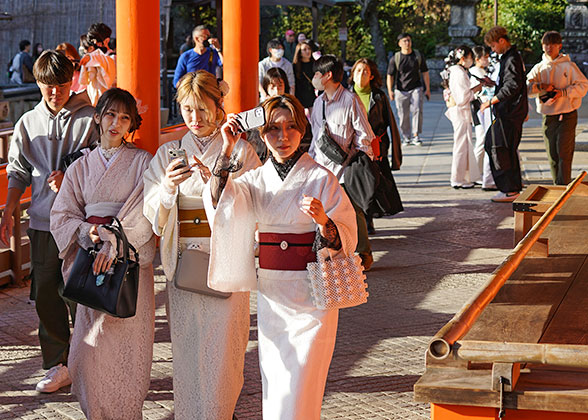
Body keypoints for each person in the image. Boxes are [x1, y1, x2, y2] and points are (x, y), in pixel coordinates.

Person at [204, 94, 357, 420]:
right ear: (261, 134)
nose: (283, 137)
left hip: (312, 295)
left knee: (303, 381)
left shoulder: (320, 179)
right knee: (276, 382)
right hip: (273, 294)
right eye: (273, 129)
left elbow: (347, 236)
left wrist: (324, 221)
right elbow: (220, 203)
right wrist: (227, 148)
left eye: (291, 128)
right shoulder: (255, 180)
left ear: (303, 131)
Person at [143, 70, 261, 419]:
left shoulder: (241, 151)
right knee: (188, 346)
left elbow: (256, 200)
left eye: (202, 109)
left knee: (226, 348)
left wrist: (222, 186)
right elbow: (152, 211)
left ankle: (219, 412)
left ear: (217, 105)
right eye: (187, 110)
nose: (195, 119)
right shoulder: (169, 152)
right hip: (184, 261)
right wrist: (165, 188)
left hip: (225, 258)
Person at [50, 88, 155, 419]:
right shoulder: (81, 166)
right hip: (92, 259)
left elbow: (145, 210)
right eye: (110, 114)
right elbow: (62, 215)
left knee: (127, 354)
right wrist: (87, 232)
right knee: (87, 353)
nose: (116, 123)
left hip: (128, 262)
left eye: (125, 118)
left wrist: (115, 240)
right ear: (97, 117)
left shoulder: (143, 162)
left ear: (131, 124)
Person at [0, 50, 97, 393]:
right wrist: (10, 209)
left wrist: (71, 176)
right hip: (41, 222)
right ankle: (58, 364)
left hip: (81, 224)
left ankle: (88, 362)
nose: (54, 91)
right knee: (46, 296)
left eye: (60, 84)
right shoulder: (27, 122)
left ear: (71, 81)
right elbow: (18, 170)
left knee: (81, 296)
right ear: (37, 82)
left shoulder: (91, 118)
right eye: (47, 85)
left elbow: (103, 163)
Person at [309, 55, 375, 270]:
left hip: (346, 168)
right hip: (321, 167)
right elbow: (316, 135)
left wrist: (362, 164)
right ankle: (333, 253)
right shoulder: (318, 103)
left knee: (353, 210)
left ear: (327, 76)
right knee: (325, 212)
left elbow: (364, 134)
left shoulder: (350, 100)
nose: (314, 78)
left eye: (317, 74)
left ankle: (363, 253)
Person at [349, 58, 403, 232]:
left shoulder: (379, 96)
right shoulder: (347, 96)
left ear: (371, 75)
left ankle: (368, 218)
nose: (361, 75)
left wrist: (392, 152)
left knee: (373, 182)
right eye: (358, 71)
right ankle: (363, 218)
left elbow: (390, 124)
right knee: (358, 184)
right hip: (354, 148)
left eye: (365, 71)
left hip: (375, 146)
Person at [526, 31, 588, 185]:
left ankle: (563, 189)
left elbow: (583, 86)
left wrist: (564, 93)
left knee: (564, 154)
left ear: (559, 46)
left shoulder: (569, 66)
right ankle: (558, 186)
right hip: (548, 116)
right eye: (546, 44)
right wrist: (540, 86)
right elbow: (527, 88)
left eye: (553, 44)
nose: (549, 47)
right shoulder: (538, 68)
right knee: (552, 154)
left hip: (568, 114)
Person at [480, 26, 528, 202]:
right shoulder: (509, 58)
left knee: (498, 147)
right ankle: (511, 188)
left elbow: (513, 86)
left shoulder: (512, 58)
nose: (493, 50)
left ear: (501, 41)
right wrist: (493, 84)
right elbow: (509, 83)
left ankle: (509, 189)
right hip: (509, 112)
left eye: (493, 46)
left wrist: (491, 101)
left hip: (509, 112)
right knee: (503, 147)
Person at [444, 46, 482, 189]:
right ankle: (457, 178)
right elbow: (462, 97)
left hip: (460, 111)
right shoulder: (458, 72)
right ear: (462, 58)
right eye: (470, 57)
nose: (471, 61)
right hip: (460, 111)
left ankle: (464, 177)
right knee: (461, 145)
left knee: (464, 144)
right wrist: (476, 90)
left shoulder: (455, 71)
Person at [386, 33, 431, 146]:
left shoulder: (417, 56)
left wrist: (427, 89)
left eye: (409, 40)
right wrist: (390, 90)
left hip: (416, 87)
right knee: (403, 114)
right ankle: (406, 137)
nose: (407, 43)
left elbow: (425, 72)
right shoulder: (395, 58)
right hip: (400, 90)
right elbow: (390, 75)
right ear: (399, 43)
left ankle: (416, 135)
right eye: (404, 41)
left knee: (417, 110)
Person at [469, 45, 497, 191]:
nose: (487, 59)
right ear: (477, 59)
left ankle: (478, 171)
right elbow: (474, 93)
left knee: (483, 140)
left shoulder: (483, 71)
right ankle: (474, 172)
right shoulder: (474, 72)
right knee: (481, 140)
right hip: (479, 108)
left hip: (486, 108)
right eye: (485, 57)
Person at [79, 23, 116, 106]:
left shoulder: (113, 58)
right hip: (92, 100)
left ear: (106, 41)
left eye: (97, 41)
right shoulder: (91, 57)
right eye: (92, 41)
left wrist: (92, 59)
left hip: (109, 102)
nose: (95, 44)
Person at [293, 40, 317, 114]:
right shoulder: (295, 66)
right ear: (299, 52)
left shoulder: (315, 64)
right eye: (304, 50)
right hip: (299, 95)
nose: (308, 51)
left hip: (312, 95)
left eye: (309, 49)